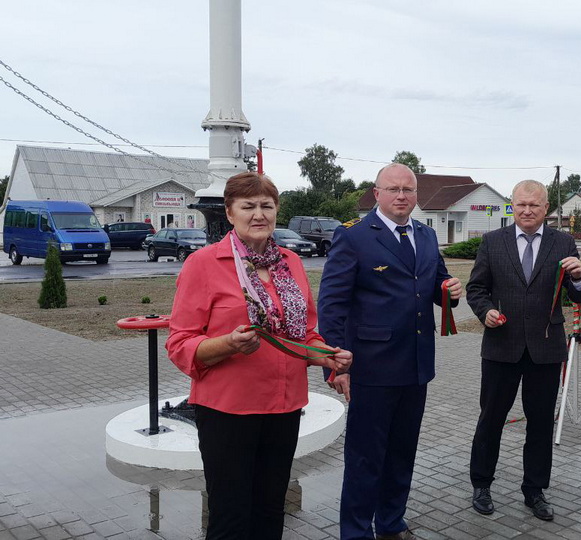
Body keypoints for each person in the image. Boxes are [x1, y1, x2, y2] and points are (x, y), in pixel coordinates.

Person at [166, 171, 352, 539]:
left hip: (284, 408)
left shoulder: (291, 263)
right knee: (231, 515)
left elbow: (304, 334)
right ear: (230, 212)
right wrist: (227, 344)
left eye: (267, 206)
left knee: (270, 509)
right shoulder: (203, 264)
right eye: (248, 206)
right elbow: (179, 343)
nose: (259, 214)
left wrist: (326, 356)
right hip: (228, 411)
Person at [317, 163, 463, 540]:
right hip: (371, 367)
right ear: (376, 193)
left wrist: (449, 290)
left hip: (415, 365)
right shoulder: (354, 236)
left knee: (401, 453)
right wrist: (336, 365)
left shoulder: (427, 236)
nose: (401, 196)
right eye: (393, 189)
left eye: (408, 190)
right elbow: (332, 305)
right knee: (366, 457)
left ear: (417, 195)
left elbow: (434, 284)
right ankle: (355, 531)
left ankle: (391, 522)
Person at [466, 179, 581, 521]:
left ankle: (534, 491)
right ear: (512, 205)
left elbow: (579, 294)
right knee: (491, 419)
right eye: (521, 204)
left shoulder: (563, 242)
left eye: (534, 205)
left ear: (546, 209)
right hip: (500, 347)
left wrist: (580, 278)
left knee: (539, 424)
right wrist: (485, 312)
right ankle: (481, 483)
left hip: (545, 348)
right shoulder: (493, 242)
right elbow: (476, 289)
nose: (526, 211)